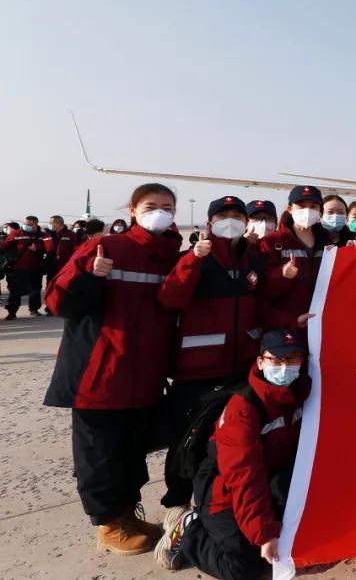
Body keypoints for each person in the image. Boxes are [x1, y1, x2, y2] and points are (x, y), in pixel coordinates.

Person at [43, 183, 182, 555]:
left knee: (131, 450)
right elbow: (56, 300)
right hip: (100, 373)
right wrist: (90, 275)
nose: (160, 212)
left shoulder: (170, 256)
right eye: (151, 205)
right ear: (132, 210)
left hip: (145, 374)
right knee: (99, 454)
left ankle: (126, 515)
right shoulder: (106, 247)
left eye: (167, 206)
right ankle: (107, 524)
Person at [164, 329, 311, 578]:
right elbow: (245, 476)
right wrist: (264, 534)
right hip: (225, 490)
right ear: (261, 362)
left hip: (272, 480)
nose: (285, 366)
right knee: (242, 568)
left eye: (292, 359)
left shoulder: (303, 393)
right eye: (276, 359)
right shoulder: (243, 410)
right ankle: (188, 527)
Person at [157, 195, 270, 512]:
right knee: (186, 439)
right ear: (209, 223)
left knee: (227, 439)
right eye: (223, 216)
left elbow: (263, 304)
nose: (230, 221)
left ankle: (214, 501)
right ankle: (178, 502)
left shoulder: (252, 261)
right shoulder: (194, 257)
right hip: (197, 369)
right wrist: (193, 259)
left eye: (238, 216)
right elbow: (170, 298)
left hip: (239, 369)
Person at [258, 186, 329, 331]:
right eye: (301, 206)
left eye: (313, 207)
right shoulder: (271, 241)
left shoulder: (328, 243)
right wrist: (281, 275)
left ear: (320, 211)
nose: (307, 211)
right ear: (290, 209)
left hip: (322, 325)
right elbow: (261, 292)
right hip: (286, 328)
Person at [2, 215, 46, 319]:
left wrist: (38, 249)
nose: (26, 225)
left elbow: (48, 248)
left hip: (35, 267)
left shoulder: (42, 235)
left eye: (29, 224)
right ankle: (12, 312)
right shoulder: (16, 233)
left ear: (35, 224)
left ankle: (34, 309)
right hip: (18, 267)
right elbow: (6, 244)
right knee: (15, 291)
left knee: (35, 290)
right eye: (25, 223)